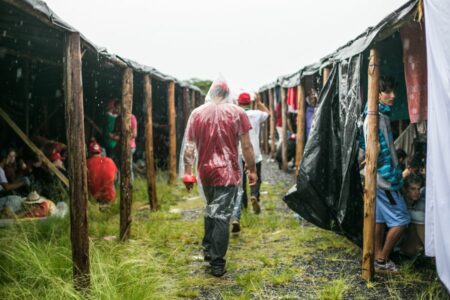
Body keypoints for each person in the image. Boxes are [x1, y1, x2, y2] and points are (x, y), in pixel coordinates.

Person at [181, 79, 257, 277]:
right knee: (222, 214)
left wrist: (188, 173)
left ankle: (208, 249)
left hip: (205, 171)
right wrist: (252, 169)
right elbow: (247, 146)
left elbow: (189, 147)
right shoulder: (237, 113)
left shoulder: (197, 114)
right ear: (227, 93)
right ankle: (217, 261)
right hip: (228, 172)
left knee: (211, 208)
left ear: (212, 92)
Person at [362, 76, 410, 272]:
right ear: (377, 94)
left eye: (393, 91)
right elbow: (377, 155)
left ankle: (376, 256)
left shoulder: (378, 116)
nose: (393, 96)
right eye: (387, 92)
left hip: (377, 179)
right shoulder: (374, 119)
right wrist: (395, 178)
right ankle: (382, 259)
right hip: (384, 181)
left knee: (380, 220)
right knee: (402, 219)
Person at [231, 92, 269, 233]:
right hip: (254, 152)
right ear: (250, 101)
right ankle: (254, 194)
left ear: (238, 102)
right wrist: (259, 102)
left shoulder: (235, 114)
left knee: (240, 182)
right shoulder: (257, 113)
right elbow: (268, 113)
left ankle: (242, 207)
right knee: (255, 176)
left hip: (239, 151)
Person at [86, 140, 118, 209]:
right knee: (112, 182)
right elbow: (115, 178)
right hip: (110, 198)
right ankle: (113, 201)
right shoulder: (110, 160)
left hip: (94, 199)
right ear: (100, 152)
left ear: (89, 153)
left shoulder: (86, 163)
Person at [111, 101, 138, 181]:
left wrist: (122, 138)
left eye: (117, 108)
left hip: (129, 145)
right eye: (116, 108)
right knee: (118, 164)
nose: (116, 109)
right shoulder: (118, 119)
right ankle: (119, 183)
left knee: (127, 166)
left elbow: (134, 134)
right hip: (119, 145)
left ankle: (130, 183)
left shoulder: (131, 118)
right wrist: (113, 135)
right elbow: (115, 131)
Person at [401, 174, 425, 257]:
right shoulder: (401, 200)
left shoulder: (419, 200)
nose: (416, 192)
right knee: (419, 219)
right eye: (413, 189)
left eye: (418, 189)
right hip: (399, 239)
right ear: (406, 189)